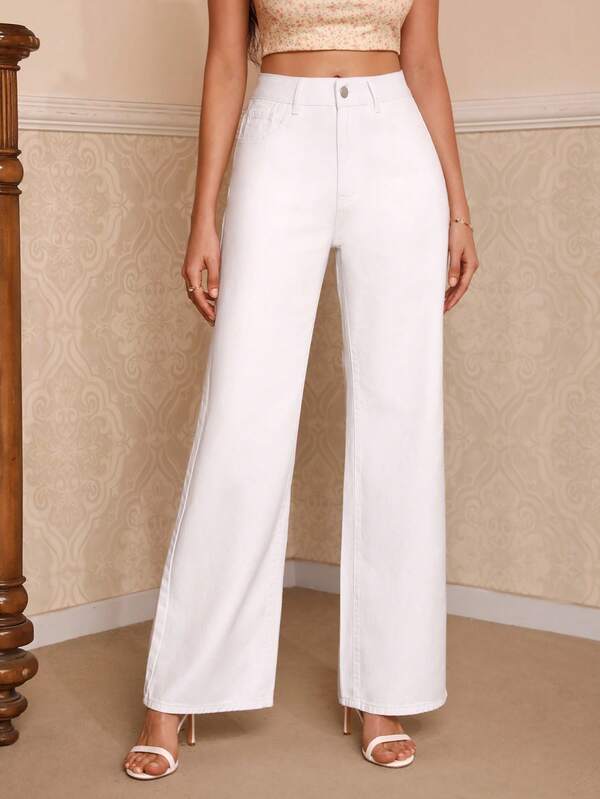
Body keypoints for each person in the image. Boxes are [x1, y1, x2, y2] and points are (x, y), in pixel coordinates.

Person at [124, 0, 479, 780]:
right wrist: (203, 215)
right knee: (241, 416)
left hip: (397, 144)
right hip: (281, 138)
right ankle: (177, 689)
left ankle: (384, 689)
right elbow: (227, 60)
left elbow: (424, 61)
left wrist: (458, 210)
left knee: (402, 418)